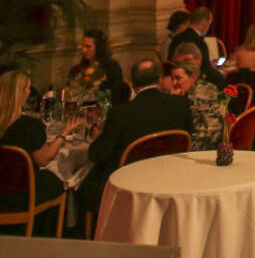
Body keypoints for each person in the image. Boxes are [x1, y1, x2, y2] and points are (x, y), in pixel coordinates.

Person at [82, 59, 193, 217]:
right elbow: (188, 139)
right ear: (160, 80)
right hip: (171, 179)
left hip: (130, 186)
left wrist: (97, 138)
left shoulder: (121, 113)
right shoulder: (181, 104)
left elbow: (98, 155)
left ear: (133, 84)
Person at [0, 68, 81, 235]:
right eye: (26, 88)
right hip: (20, 194)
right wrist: (63, 135)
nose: (30, 91)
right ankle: (46, 237)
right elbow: (44, 159)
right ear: (20, 94)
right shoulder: (29, 126)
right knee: (58, 182)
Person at [167, 7, 224, 87]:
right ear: (204, 22)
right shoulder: (199, 42)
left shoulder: (176, 38)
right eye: (209, 24)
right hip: (196, 82)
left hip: (175, 79)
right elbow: (206, 69)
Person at [67, 28, 126, 100]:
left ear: (99, 47)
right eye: (83, 46)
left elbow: (116, 93)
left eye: (88, 47)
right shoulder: (76, 70)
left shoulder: (112, 68)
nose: (84, 50)